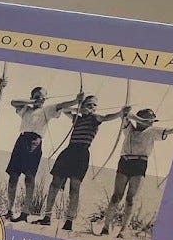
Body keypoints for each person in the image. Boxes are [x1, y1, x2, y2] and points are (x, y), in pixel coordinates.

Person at [33, 93, 130, 231]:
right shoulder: (77, 118)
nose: (92, 107)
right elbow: (63, 109)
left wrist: (121, 112)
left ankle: (69, 221)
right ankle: (47, 217)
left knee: (74, 187)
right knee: (55, 184)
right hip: (69, 151)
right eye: (89, 104)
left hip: (82, 153)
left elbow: (107, 117)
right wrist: (77, 105)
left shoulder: (95, 118)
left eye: (94, 105)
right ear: (83, 105)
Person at [98, 108, 173, 237]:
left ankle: (123, 230)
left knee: (131, 199)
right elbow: (126, 115)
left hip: (139, 164)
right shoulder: (129, 128)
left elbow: (169, 131)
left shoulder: (152, 131)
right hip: (125, 162)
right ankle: (105, 227)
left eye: (152, 120)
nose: (150, 122)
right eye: (148, 119)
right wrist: (128, 112)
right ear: (140, 119)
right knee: (116, 197)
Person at [4, 86, 82, 222]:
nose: (41, 99)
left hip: (34, 142)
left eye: (43, 97)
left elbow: (62, 105)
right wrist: (32, 102)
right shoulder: (26, 109)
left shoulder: (47, 109)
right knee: (13, 177)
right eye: (37, 96)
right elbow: (13, 102)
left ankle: (25, 212)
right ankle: (10, 210)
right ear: (32, 97)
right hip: (21, 141)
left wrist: (76, 100)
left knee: (29, 177)